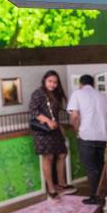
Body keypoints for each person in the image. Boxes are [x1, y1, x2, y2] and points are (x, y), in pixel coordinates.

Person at [30, 70, 77, 200]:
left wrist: (60, 126)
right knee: (48, 157)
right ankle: (51, 188)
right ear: (44, 80)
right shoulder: (38, 93)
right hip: (43, 131)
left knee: (62, 154)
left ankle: (61, 184)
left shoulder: (55, 94)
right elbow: (33, 112)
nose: (52, 84)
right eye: (50, 81)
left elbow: (55, 114)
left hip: (55, 129)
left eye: (55, 82)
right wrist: (48, 121)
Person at [67, 74, 107, 205]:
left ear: (80, 84)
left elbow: (74, 116)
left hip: (87, 135)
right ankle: (103, 192)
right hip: (102, 136)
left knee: (91, 167)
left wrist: (76, 131)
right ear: (93, 84)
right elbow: (106, 114)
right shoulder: (103, 96)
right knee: (100, 165)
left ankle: (95, 197)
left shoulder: (77, 94)